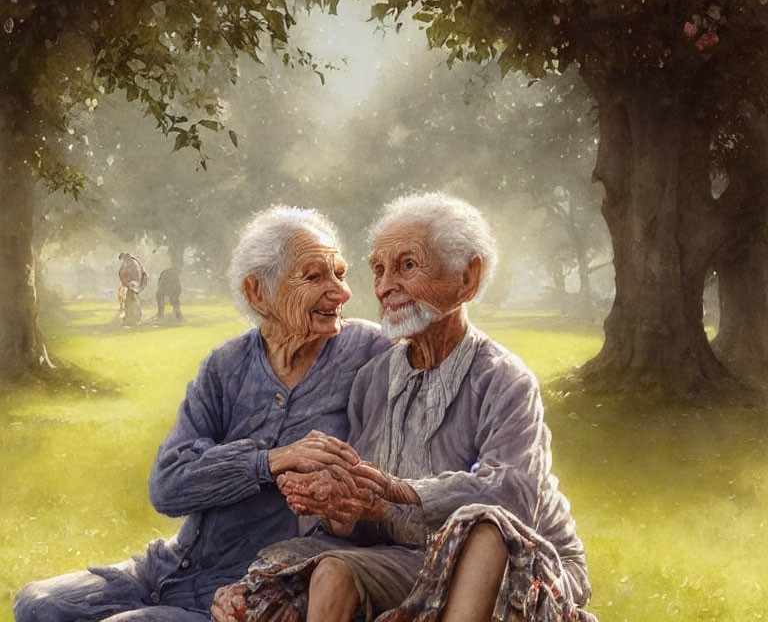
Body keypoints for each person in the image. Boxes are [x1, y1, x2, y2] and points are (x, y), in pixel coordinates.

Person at [212, 193, 595, 622]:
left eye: (407, 266)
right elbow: (367, 517)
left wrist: (400, 490)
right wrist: (342, 507)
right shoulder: (372, 380)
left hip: (510, 560)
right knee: (332, 571)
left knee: (484, 528)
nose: (383, 287)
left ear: (467, 278)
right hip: (409, 559)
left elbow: (512, 496)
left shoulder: (504, 378)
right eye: (379, 270)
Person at [14, 207, 390, 622]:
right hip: (170, 565)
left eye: (340, 273)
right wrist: (268, 461)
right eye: (315, 277)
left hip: (243, 591)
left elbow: (368, 505)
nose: (341, 292)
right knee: (35, 603)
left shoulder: (367, 353)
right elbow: (167, 486)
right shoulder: (226, 364)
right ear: (257, 292)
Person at [118, 252, 148, 325]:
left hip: (134, 283)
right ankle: (132, 316)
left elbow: (124, 275)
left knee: (129, 299)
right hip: (137, 283)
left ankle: (130, 317)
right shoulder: (132, 261)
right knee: (130, 299)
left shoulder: (130, 263)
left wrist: (128, 285)